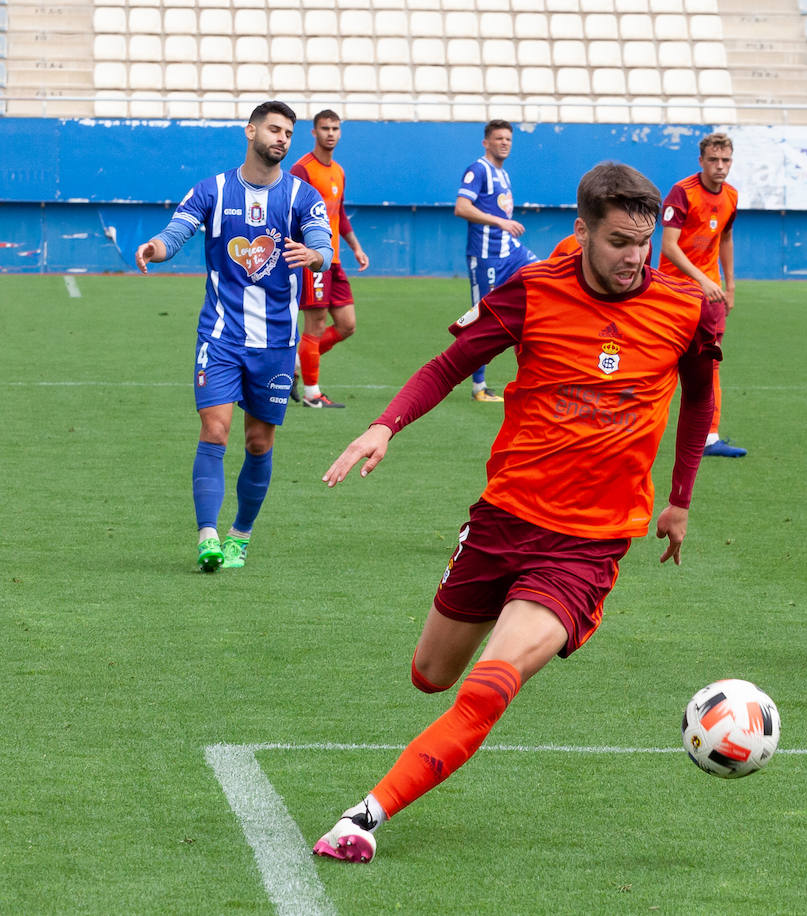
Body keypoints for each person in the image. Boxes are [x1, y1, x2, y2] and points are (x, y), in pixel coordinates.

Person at [312, 162, 724, 864]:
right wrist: (385, 426)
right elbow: (448, 365)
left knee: (486, 689)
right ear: (582, 231)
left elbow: (699, 400)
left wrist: (680, 498)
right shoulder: (533, 291)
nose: (635, 258)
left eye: (644, 243)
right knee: (431, 674)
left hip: (587, 545)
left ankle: (363, 817)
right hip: (504, 518)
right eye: (620, 241)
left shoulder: (689, 306)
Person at [134, 101, 332, 572]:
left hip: (277, 343)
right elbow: (177, 231)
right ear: (251, 131)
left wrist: (316, 256)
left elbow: (323, 243)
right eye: (274, 129)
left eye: (288, 132)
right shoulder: (213, 189)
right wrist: (155, 248)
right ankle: (208, 535)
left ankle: (240, 534)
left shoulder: (302, 197)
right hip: (221, 336)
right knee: (215, 429)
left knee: (259, 443)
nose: (282, 138)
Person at [659, 132, 746, 458]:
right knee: (661, 361)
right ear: (701, 161)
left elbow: (725, 240)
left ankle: (710, 437)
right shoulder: (682, 193)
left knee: (710, 363)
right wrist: (702, 281)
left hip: (709, 295)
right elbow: (669, 246)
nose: (719, 166)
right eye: (713, 160)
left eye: (725, 160)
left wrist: (729, 285)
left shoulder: (732, 196)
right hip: (672, 292)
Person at [454, 119, 540, 403]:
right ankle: (478, 385)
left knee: (543, 280)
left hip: (512, 253)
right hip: (486, 256)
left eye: (508, 139)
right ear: (486, 142)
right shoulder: (478, 170)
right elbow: (462, 207)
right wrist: (500, 223)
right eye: (499, 138)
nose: (504, 143)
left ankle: (538, 367)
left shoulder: (503, 174)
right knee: (483, 317)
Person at [289, 109, 370, 409]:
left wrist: (355, 246)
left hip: (334, 259)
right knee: (316, 324)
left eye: (335, 128)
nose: (331, 133)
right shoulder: (302, 170)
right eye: (325, 128)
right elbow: (290, 213)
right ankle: (312, 394)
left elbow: (340, 212)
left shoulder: (338, 170)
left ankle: (296, 361)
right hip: (313, 258)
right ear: (314, 132)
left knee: (347, 324)